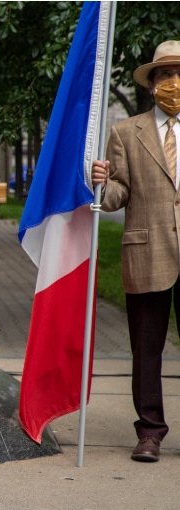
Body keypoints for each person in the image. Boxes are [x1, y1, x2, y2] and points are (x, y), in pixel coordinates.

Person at [91, 40, 180, 463]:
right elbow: (118, 194)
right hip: (147, 253)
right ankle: (149, 432)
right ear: (151, 84)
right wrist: (99, 184)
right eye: (165, 74)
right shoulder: (126, 131)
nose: (173, 82)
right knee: (146, 351)